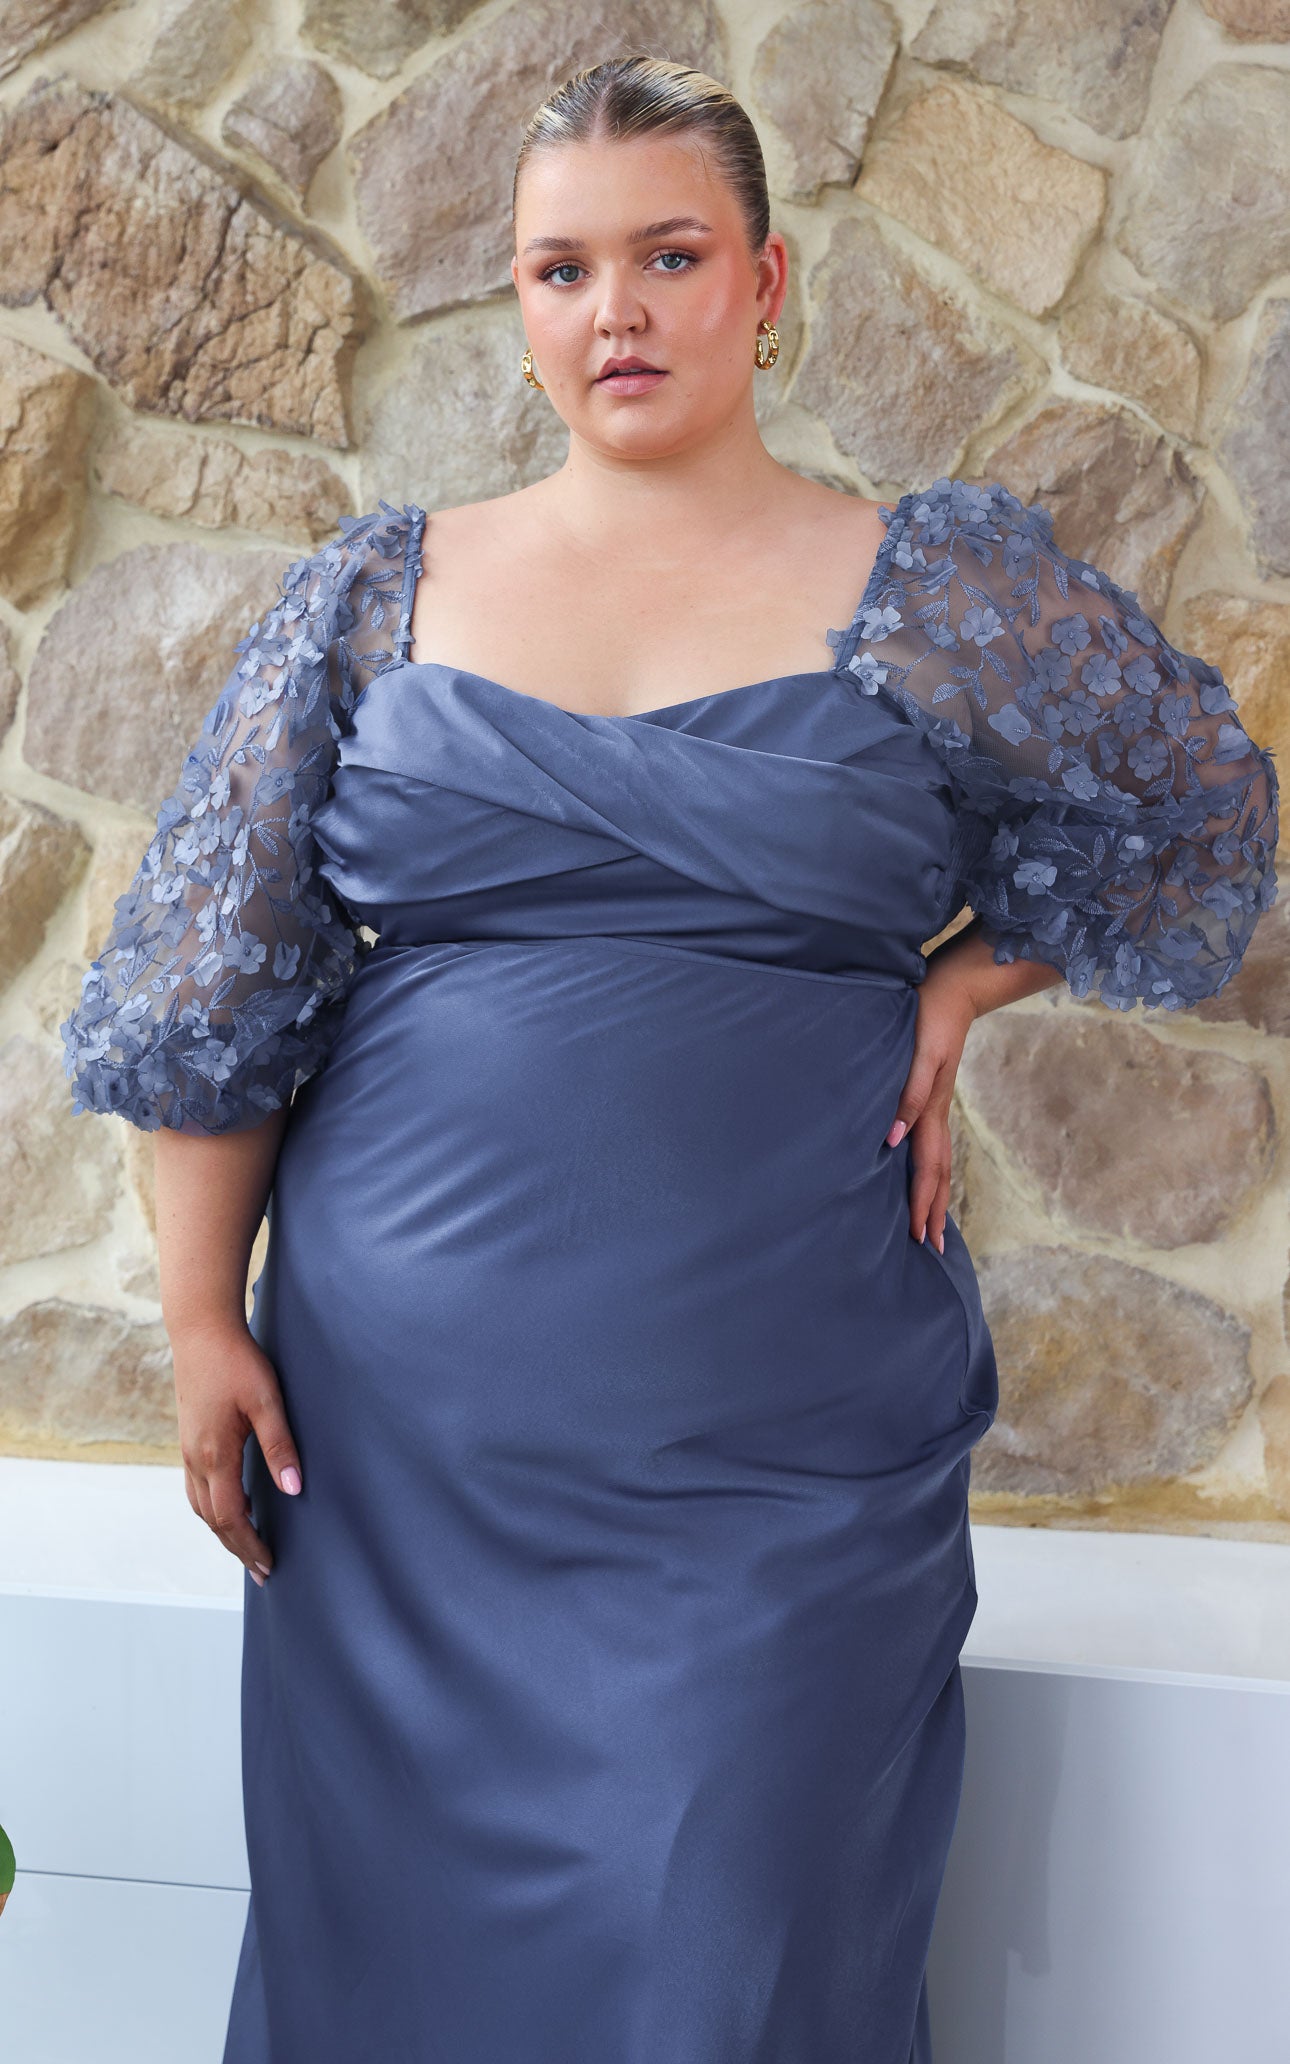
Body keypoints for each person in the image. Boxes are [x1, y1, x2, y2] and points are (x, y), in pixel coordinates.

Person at [60, 52, 1279, 2064]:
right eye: (562, 269)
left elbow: (1192, 810)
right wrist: (201, 1318)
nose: (613, 311)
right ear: (518, 304)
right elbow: (219, 987)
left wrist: (960, 986)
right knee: (406, 1980)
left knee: (743, 1939)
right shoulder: (375, 593)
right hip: (410, 1438)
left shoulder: (938, 590)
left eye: (670, 255)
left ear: (766, 284)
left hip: (781, 1421)